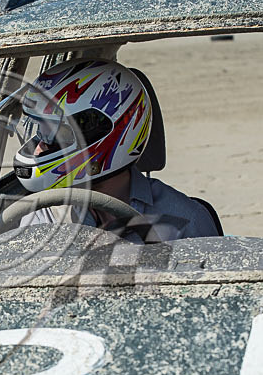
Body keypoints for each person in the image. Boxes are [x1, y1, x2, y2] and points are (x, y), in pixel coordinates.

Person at [12, 59, 221, 241]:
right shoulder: (45, 215)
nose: (39, 147)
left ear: (98, 130)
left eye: (53, 136)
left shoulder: (185, 220)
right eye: (41, 133)